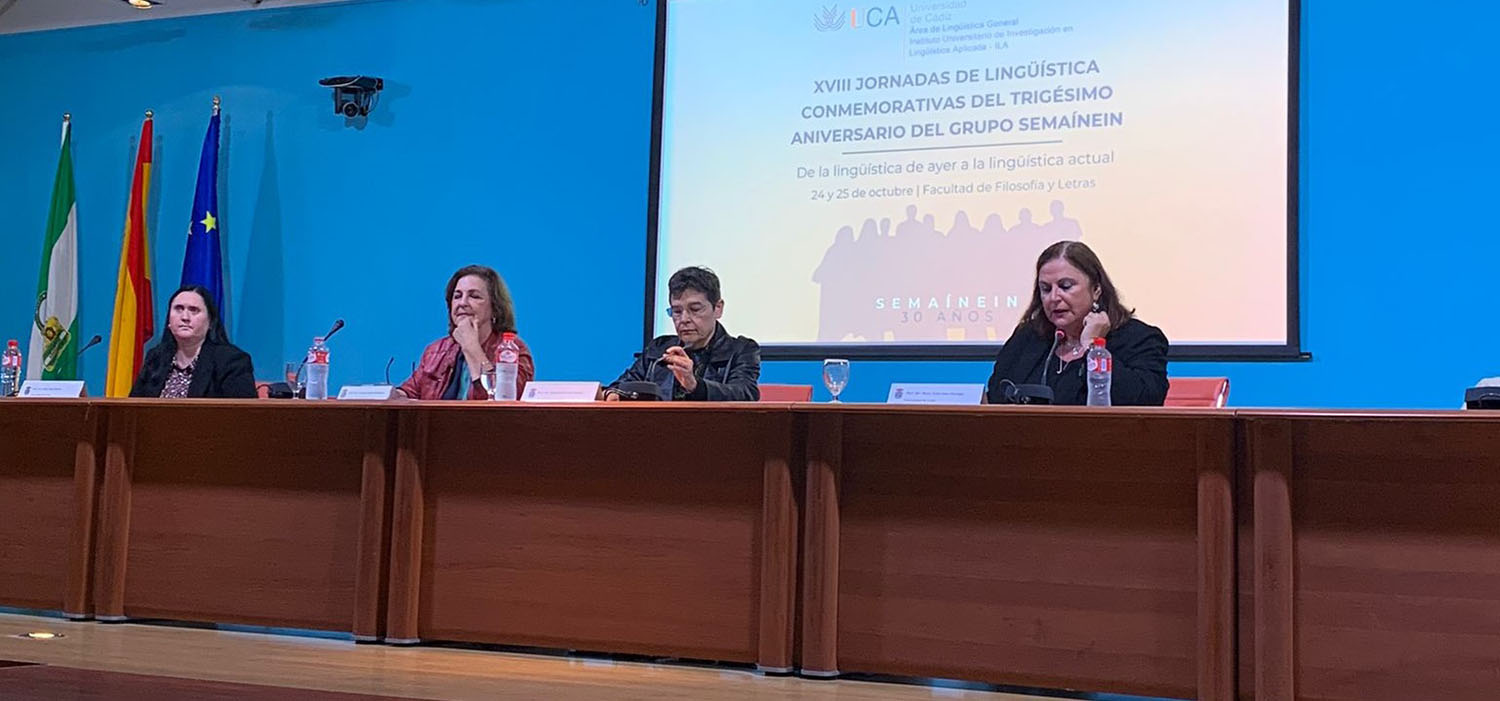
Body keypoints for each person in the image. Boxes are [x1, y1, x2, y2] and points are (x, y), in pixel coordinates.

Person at [986, 241, 1168, 405]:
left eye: (1065, 286)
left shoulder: (1139, 338)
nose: (1053, 297)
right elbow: (995, 395)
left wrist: (1093, 347)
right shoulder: (1029, 337)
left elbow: (1146, 400)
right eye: (1046, 289)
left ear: (1096, 290)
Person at [604, 266, 761, 401]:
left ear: (718, 308)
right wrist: (612, 394)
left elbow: (745, 394)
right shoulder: (659, 349)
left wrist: (695, 386)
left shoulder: (741, 350)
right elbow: (620, 386)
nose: (684, 319)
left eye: (695, 309)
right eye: (677, 311)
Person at [396, 265, 535, 400]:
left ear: (495, 307)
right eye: (457, 296)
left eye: (474, 296)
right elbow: (408, 392)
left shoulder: (513, 350)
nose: (462, 303)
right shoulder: (435, 351)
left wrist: (471, 347)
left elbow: (504, 403)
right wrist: (390, 395)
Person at [130, 285, 256, 398]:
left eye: (194, 310)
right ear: (169, 321)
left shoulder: (232, 361)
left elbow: (242, 413)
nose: (185, 317)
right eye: (179, 309)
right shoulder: (156, 358)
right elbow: (133, 408)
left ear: (211, 322)